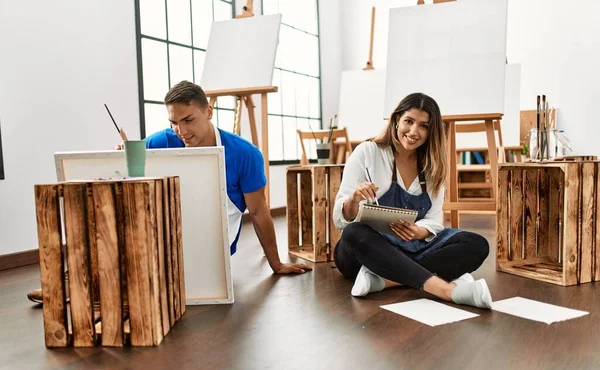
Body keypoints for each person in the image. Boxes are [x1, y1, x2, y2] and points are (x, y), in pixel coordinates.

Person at [27, 81, 310, 304]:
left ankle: (88, 286)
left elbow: (259, 212)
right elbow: (130, 173)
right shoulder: (162, 140)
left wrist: (276, 264)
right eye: (174, 122)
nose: (181, 130)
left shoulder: (245, 154)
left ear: (208, 112)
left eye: (188, 120)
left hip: (210, 244)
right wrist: (120, 159)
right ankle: (72, 283)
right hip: (160, 232)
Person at [332, 92, 492, 309]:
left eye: (424, 126)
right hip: (367, 250)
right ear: (397, 119)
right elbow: (340, 220)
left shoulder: (433, 165)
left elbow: (435, 219)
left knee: (476, 244)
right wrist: (353, 200)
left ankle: (384, 280)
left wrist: (420, 232)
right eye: (409, 121)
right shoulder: (367, 152)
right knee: (353, 233)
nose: (414, 131)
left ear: (431, 131)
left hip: (412, 246)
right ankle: (445, 290)